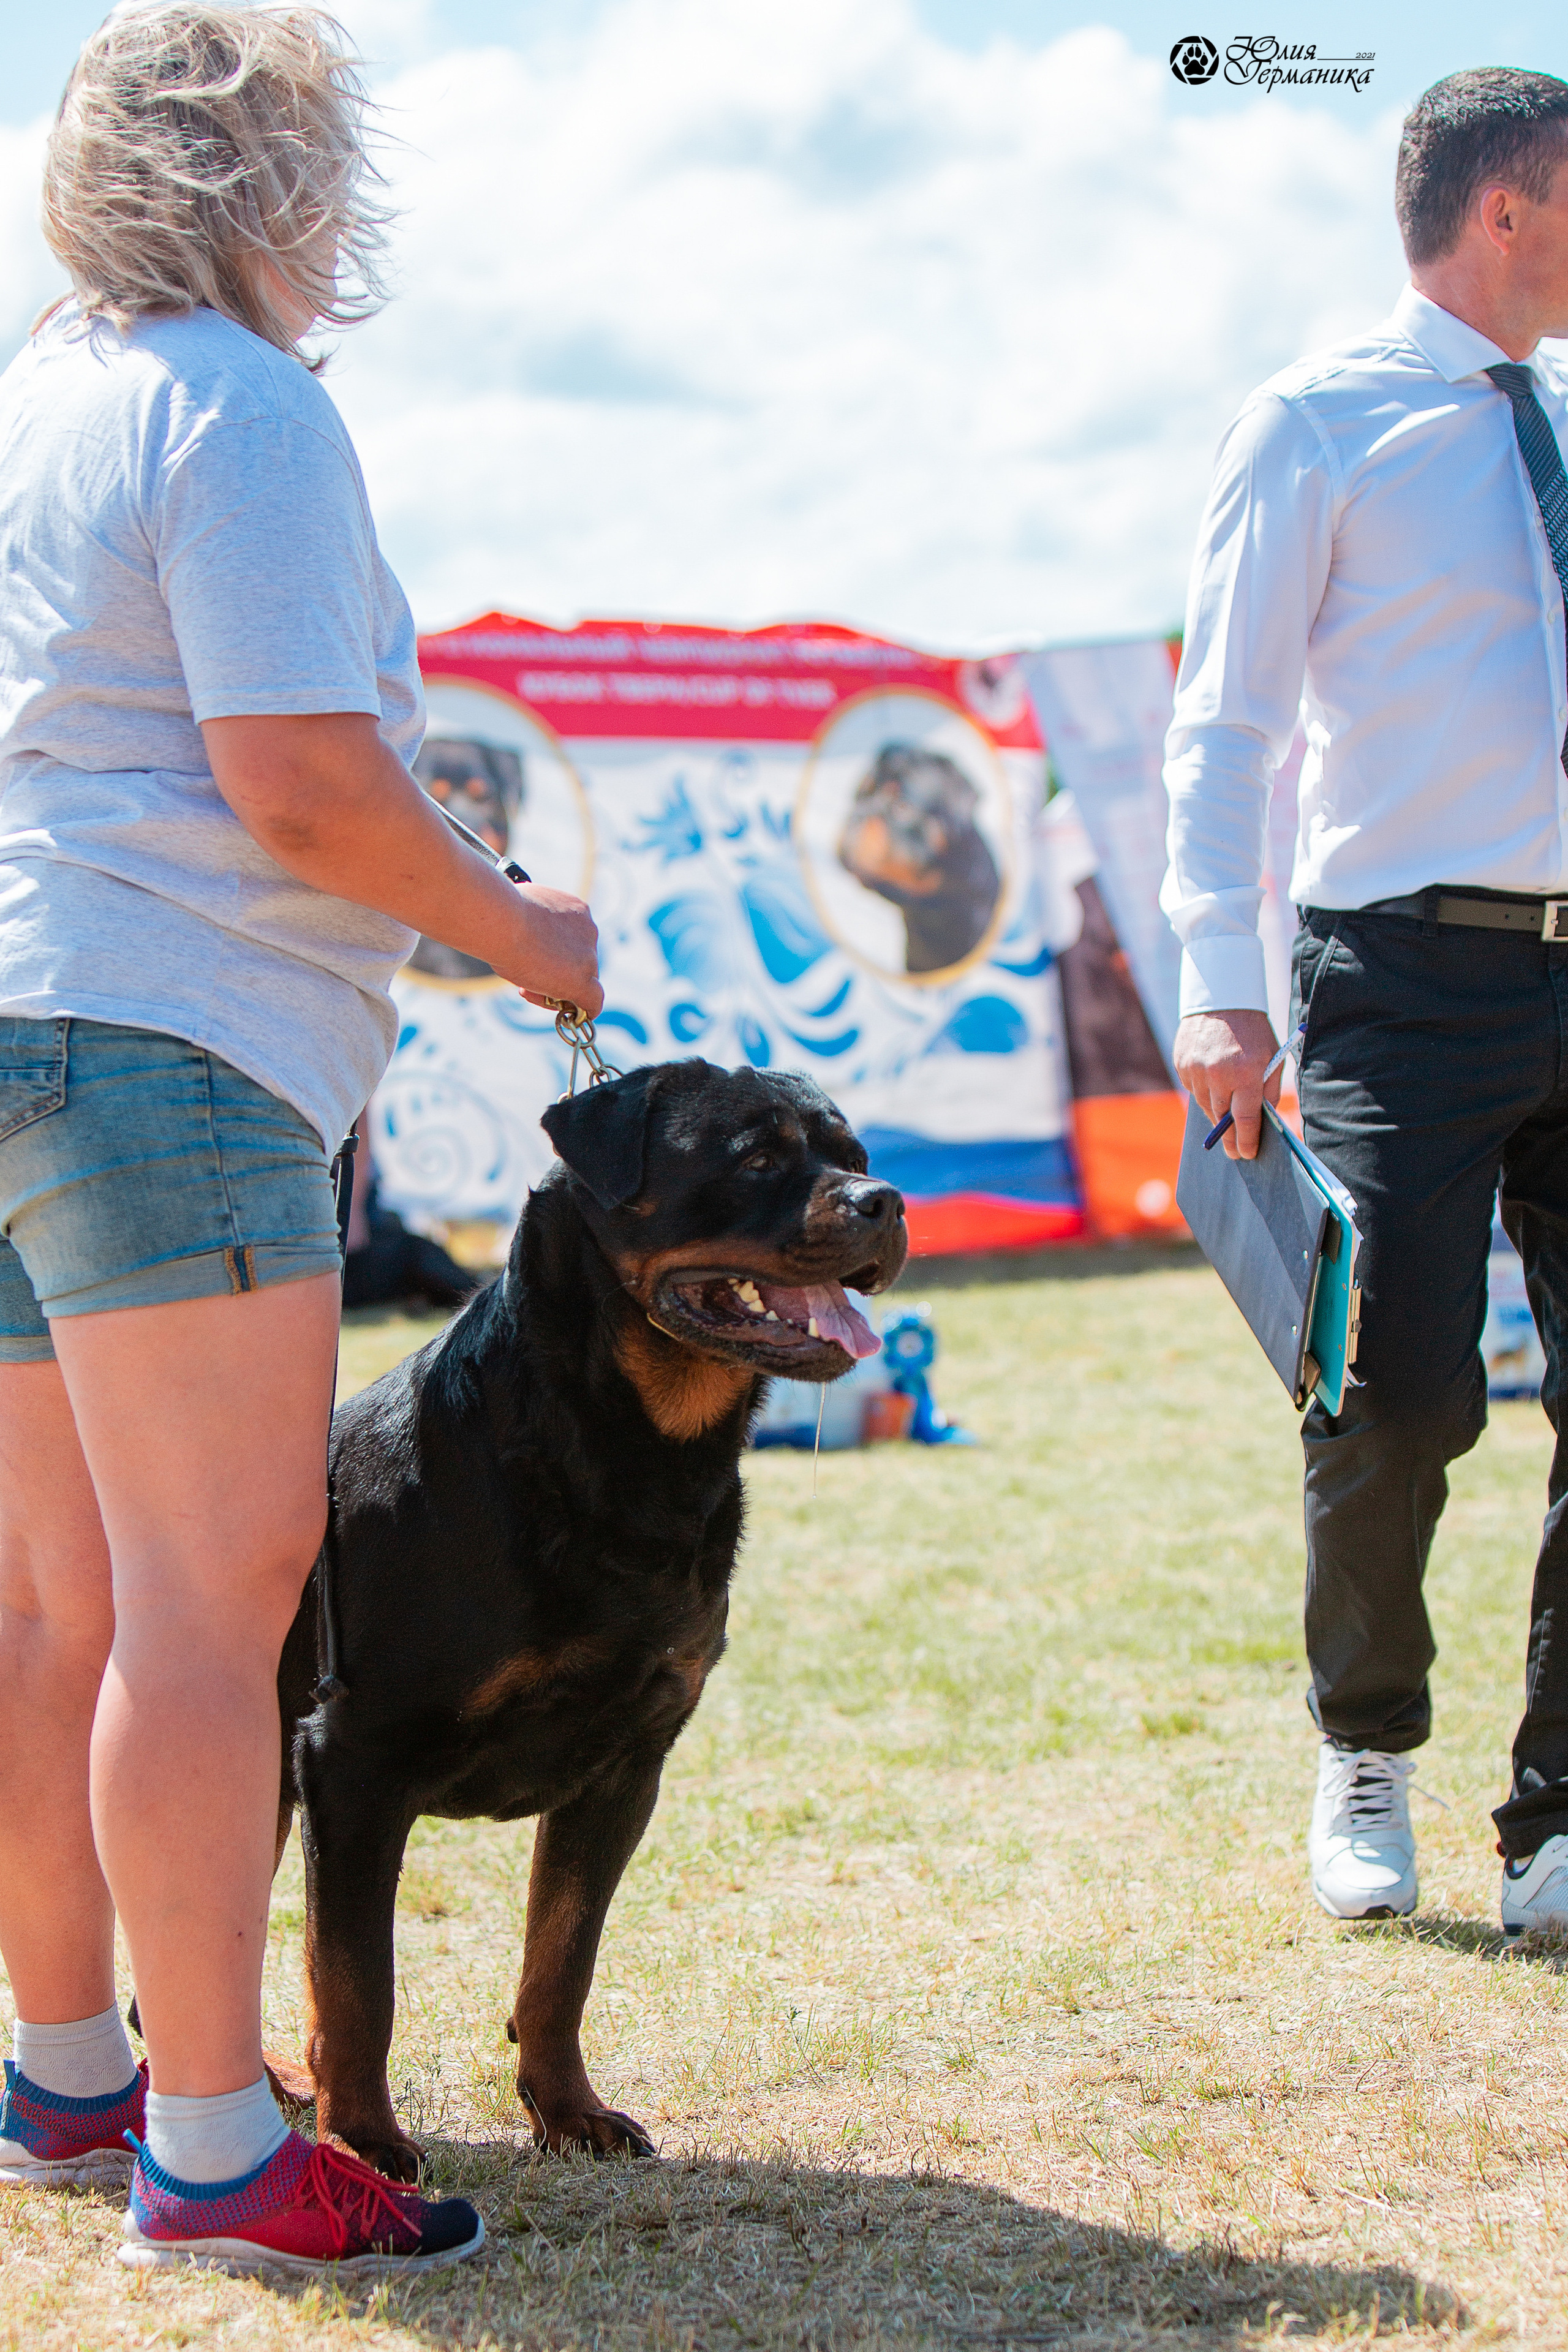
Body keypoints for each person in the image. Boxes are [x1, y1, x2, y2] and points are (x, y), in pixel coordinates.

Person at [0, 4, 600, 2273]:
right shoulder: (241, 409)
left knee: (53, 1606)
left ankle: (68, 2081)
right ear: (277, 187)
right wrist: (523, 928)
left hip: (22, 1009)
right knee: (205, 1610)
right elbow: (302, 784)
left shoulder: (37, 398)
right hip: (177, 1042)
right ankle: (219, 2144)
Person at [1164, 68, 1568, 1932]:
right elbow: (1226, 728)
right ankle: (1367, 1744)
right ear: (1513, 203)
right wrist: (1223, 994)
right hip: (1397, 973)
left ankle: (1556, 1819)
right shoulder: (1318, 421)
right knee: (1393, 1395)